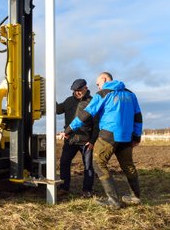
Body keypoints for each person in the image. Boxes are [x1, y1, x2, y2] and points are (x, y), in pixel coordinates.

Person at [60, 72, 143, 208]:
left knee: (98, 163)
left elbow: (87, 114)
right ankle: (135, 197)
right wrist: (136, 137)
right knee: (128, 166)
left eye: (98, 84)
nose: (98, 87)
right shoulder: (130, 94)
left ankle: (114, 201)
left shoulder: (103, 93)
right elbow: (138, 116)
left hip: (108, 135)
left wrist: (68, 129)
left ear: (104, 79)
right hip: (126, 137)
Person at [56, 79, 98, 198]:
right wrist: (48, 96)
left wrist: (93, 141)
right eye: (75, 91)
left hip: (86, 141)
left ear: (86, 88)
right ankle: (64, 188)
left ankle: (87, 190)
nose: (77, 93)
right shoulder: (69, 101)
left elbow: (97, 123)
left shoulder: (92, 102)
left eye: (79, 90)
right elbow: (58, 110)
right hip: (71, 140)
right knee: (64, 163)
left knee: (88, 166)